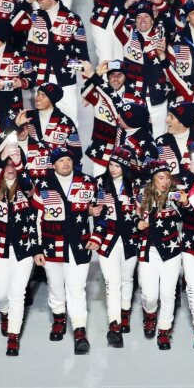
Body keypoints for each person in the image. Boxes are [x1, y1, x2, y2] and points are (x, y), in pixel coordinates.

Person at [31, 147, 99, 354]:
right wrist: (37, 247)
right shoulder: (42, 185)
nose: (66, 164)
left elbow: (103, 212)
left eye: (68, 160)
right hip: (52, 246)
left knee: (76, 288)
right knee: (56, 286)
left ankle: (80, 331)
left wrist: (97, 235)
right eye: (60, 161)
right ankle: (59, 319)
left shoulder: (89, 182)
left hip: (79, 245)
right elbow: (34, 220)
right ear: (53, 165)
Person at [0, 145, 41, 356]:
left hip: (23, 249)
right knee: (0, 292)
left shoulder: (27, 189)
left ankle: (13, 335)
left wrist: (36, 248)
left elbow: (28, 181)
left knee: (17, 293)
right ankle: (4, 312)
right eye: (6, 164)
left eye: (14, 164)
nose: (10, 167)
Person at [87, 147, 141, 347]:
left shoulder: (135, 185)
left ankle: (125, 313)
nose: (113, 169)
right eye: (111, 164)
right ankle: (114, 324)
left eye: (118, 165)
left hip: (130, 238)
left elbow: (141, 212)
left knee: (127, 279)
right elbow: (97, 212)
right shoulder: (100, 183)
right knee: (112, 282)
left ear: (125, 167)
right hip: (107, 239)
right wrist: (91, 217)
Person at [137, 160, 187, 350]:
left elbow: (186, 211)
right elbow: (134, 214)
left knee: (168, 293)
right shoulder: (142, 195)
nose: (165, 181)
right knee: (150, 295)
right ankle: (149, 314)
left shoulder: (174, 194)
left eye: (167, 177)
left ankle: (164, 330)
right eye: (160, 177)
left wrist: (186, 202)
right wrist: (138, 223)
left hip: (171, 250)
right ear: (152, 179)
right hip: (148, 250)